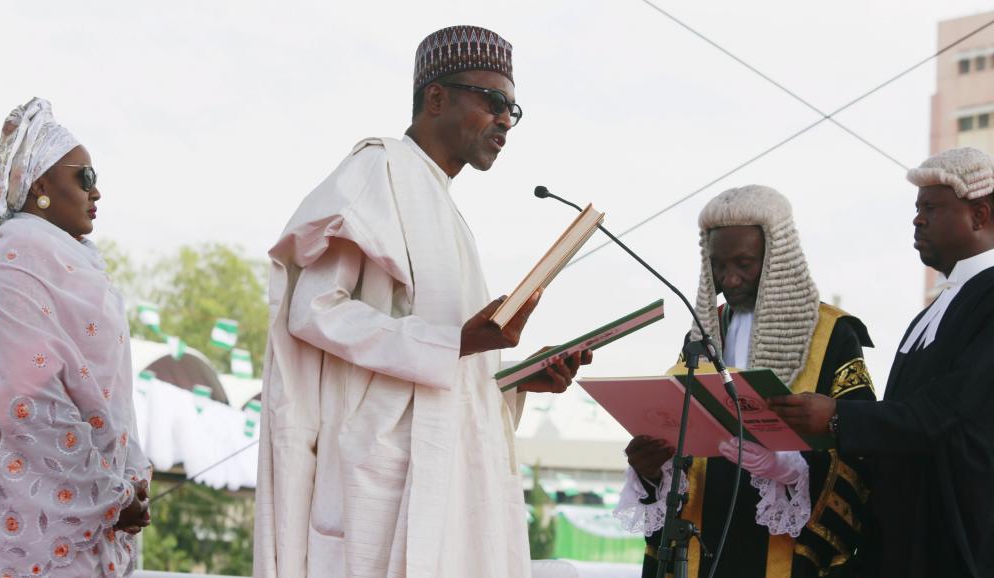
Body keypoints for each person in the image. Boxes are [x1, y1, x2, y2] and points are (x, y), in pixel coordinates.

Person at [253, 26, 590, 578]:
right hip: (385, 480)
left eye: (512, 110)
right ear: (436, 98)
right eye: (493, 101)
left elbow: (451, 365)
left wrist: (516, 379)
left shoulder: (445, 208)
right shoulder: (378, 169)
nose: (505, 120)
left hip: (447, 475)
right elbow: (314, 310)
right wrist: (455, 342)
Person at [615, 185, 876, 577]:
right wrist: (651, 470)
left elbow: (862, 450)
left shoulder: (833, 335)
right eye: (718, 265)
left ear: (778, 259)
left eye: (744, 264)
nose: (730, 279)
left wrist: (791, 469)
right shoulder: (703, 335)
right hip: (701, 544)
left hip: (783, 553)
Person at [770, 147, 994, 577]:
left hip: (959, 539)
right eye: (917, 209)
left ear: (979, 215)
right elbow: (903, 419)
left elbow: (949, 414)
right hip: (900, 542)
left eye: (931, 208)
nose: (917, 220)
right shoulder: (929, 314)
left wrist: (838, 416)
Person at [0, 98, 151, 577]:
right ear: (41, 186)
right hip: (31, 532)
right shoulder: (11, 270)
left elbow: (115, 399)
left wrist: (132, 476)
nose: (97, 192)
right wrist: (108, 496)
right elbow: (22, 404)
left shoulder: (79, 268)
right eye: (85, 177)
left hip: (102, 521)